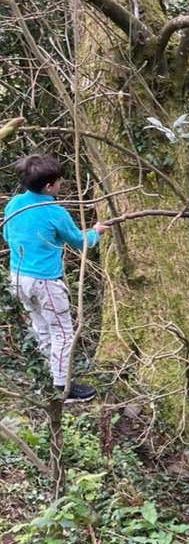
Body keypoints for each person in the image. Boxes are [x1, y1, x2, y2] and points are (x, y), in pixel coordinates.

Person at [2, 153, 106, 402]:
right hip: (45, 282)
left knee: (41, 328)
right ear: (49, 186)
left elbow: (7, 234)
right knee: (62, 332)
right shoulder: (54, 212)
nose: (62, 184)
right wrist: (97, 231)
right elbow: (80, 241)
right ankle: (62, 386)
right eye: (59, 181)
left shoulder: (15, 203)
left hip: (17, 277)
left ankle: (48, 379)